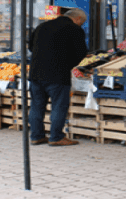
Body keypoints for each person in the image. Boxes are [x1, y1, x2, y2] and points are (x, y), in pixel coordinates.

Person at [28, 8, 88, 146]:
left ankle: (36, 136)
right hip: (58, 74)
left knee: (36, 106)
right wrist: (68, 64)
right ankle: (56, 137)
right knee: (59, 106)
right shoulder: (74, 29)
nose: (81, 25)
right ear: (78, 18)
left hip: (36, 73)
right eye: (82, 22)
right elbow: (80, 53)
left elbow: (31, 47)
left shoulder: (42, 26)